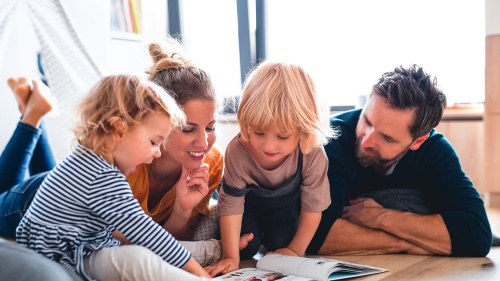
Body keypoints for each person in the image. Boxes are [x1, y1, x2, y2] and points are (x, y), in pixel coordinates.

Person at [0, 42, 252, 266]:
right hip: (38, 203)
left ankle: (33, 113)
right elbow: (141, 239)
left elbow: (164, 240)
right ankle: (31, 117)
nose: (203, 142)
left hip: (73, 192)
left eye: (210, 127)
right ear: (158, 124)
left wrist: (181, 211)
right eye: (187, 129)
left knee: (49, 169)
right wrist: (201, 270)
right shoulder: (124, 164)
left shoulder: (211, 159)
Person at [16, 74, 212, 280]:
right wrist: (196, 272)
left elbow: (116, 229)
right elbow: (144, 230)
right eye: (154, 142)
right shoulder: (102, 176)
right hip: (65, 259)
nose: (157, 153)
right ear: (119, 130)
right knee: (137, 259)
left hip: (62, 251)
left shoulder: (84, 159)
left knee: (143, 250)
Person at [306, 64, 492, 257]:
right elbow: (316, 235)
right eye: (367, 121)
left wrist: (380, 217)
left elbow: (476, 235)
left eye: (387, 138)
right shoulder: (330, 140)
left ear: (417, 141)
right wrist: (407, 244)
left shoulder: (435, 151)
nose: (366, 141)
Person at [208, 61, 336, 277]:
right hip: (248, 209)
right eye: (258, 133)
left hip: (287, 211)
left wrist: (295, 250)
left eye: (282, 136)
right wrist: (230, 256)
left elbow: (313, 209)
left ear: (303, 130)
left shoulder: (312, 153)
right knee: (245, 246)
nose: (268, 146)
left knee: (282, 243)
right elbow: (231, 206)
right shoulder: (238, 151)